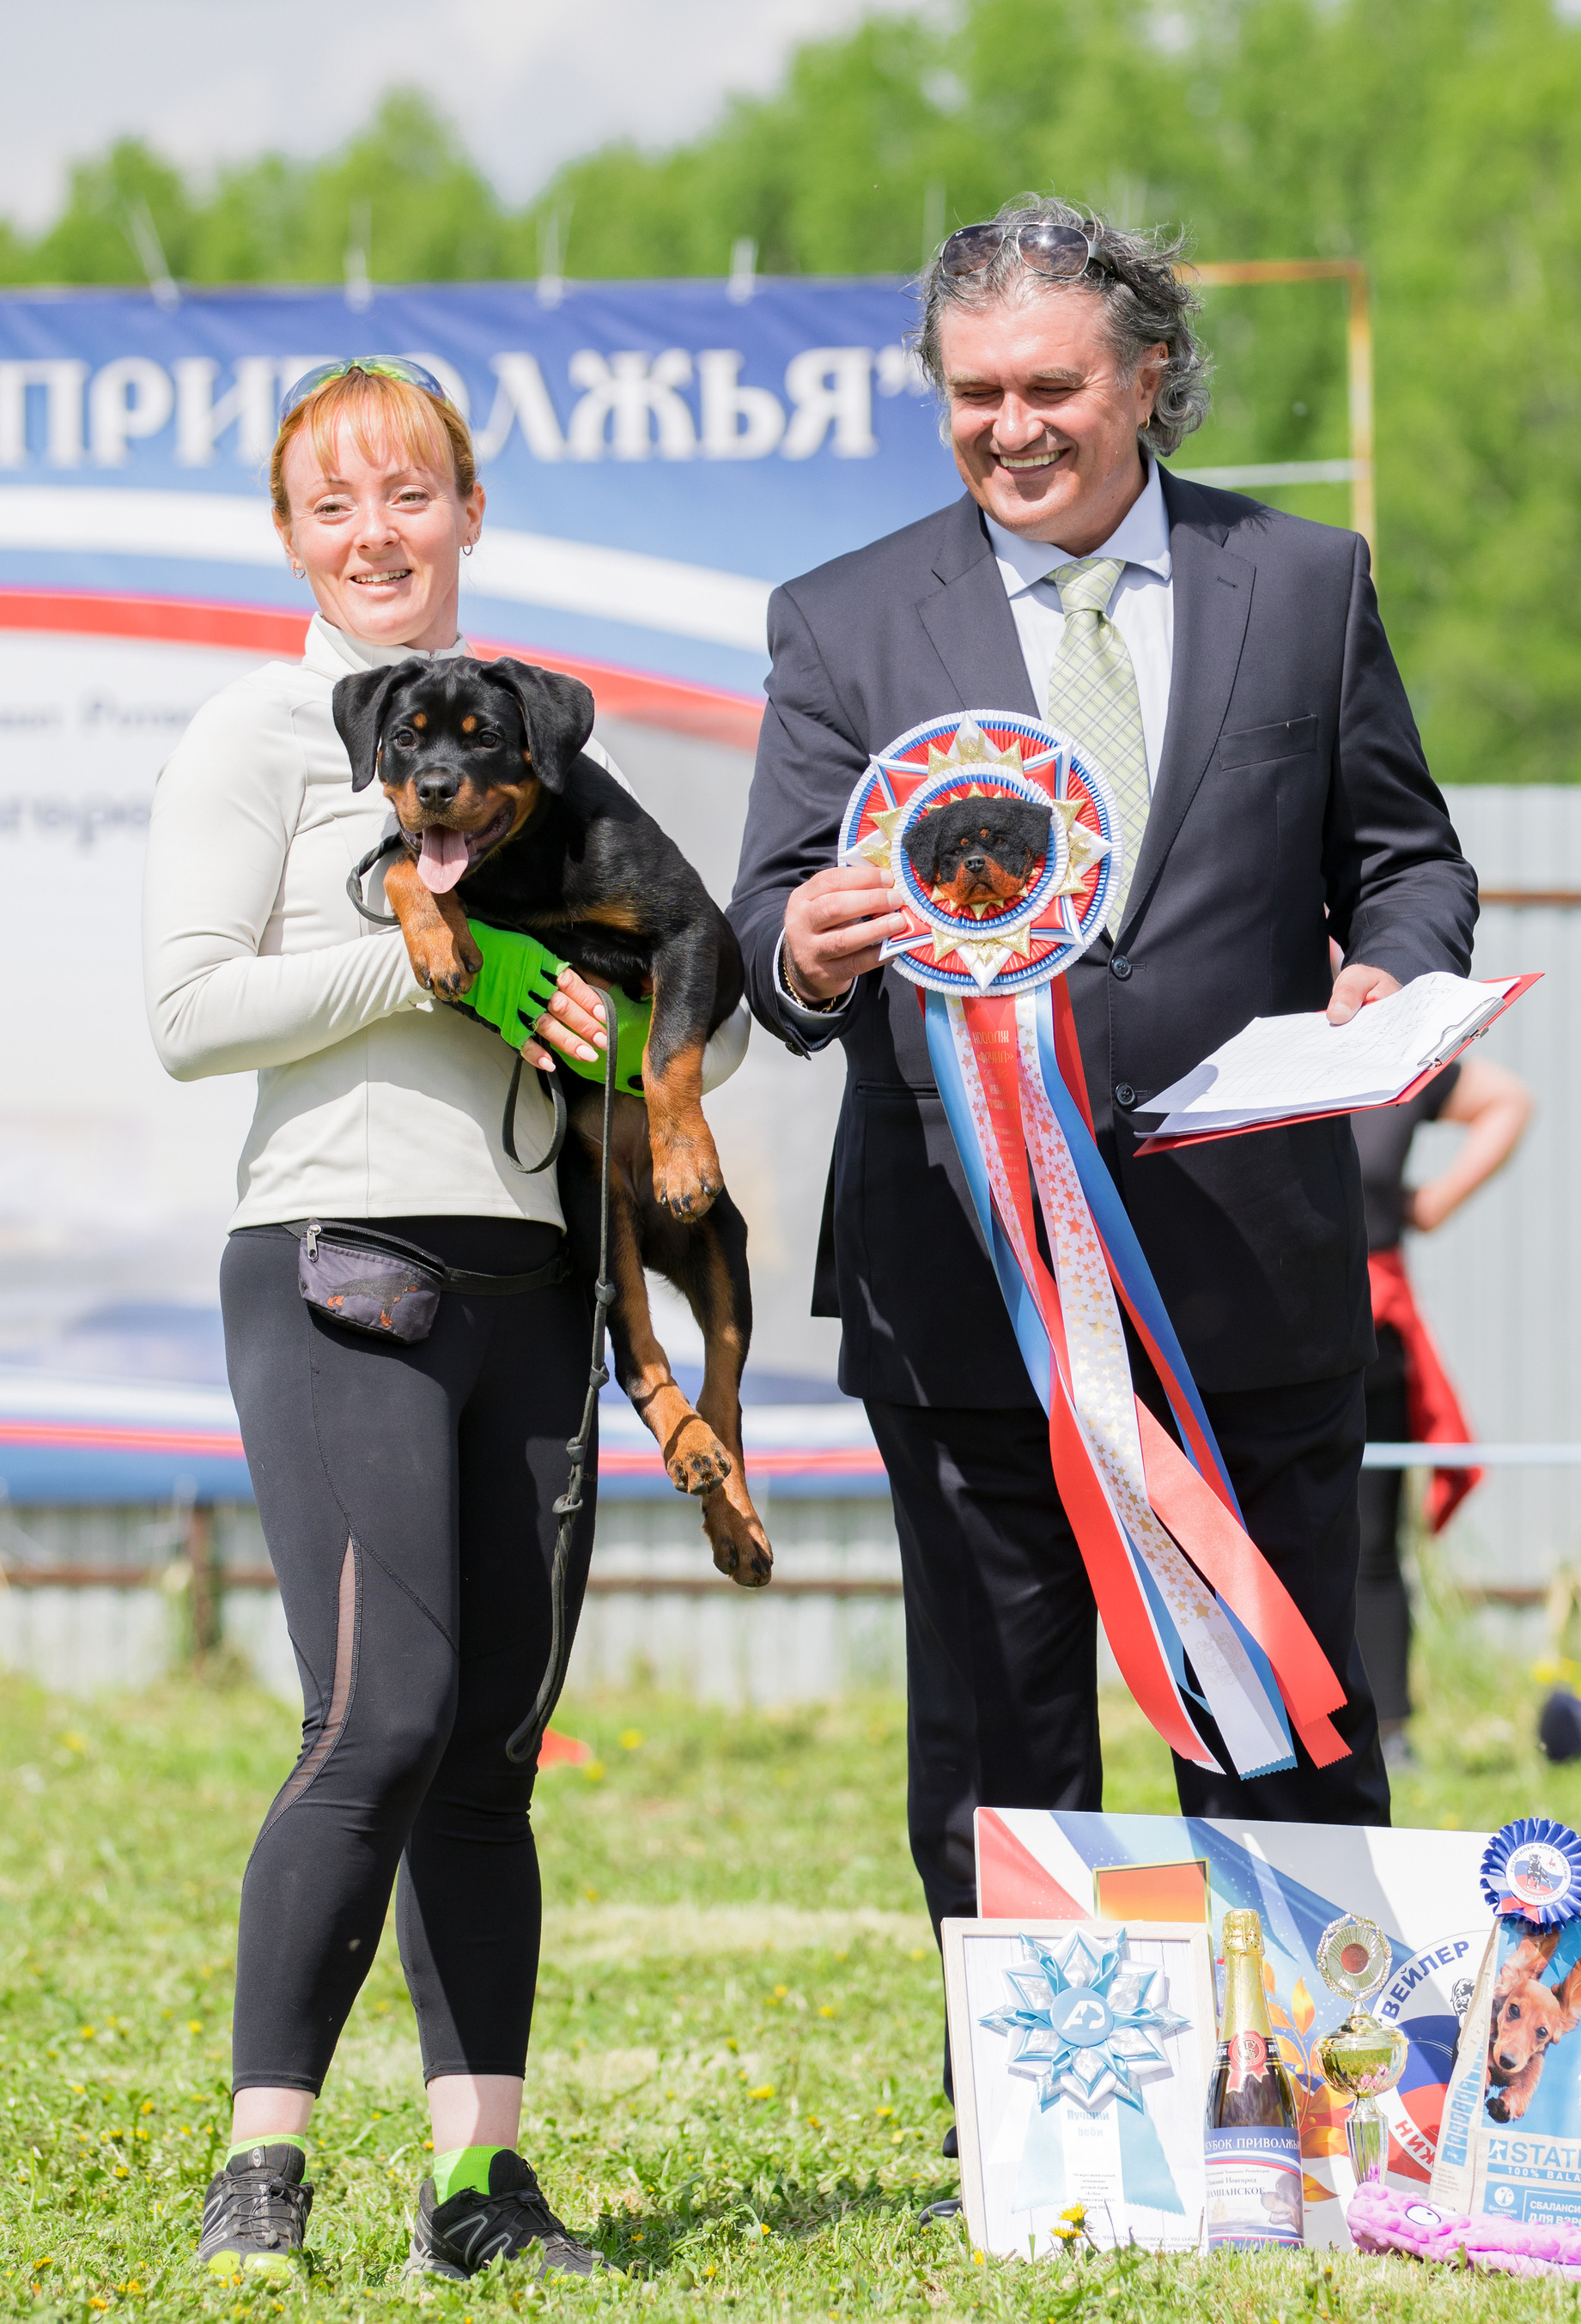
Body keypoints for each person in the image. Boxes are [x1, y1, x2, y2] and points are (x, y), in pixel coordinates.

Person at [729, 199, 1479, 1976]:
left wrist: (1394, 965)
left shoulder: (1303, 584)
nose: (1011, 427)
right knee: (998, 1726)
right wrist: (815, 946)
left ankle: (1308, 2080)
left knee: (1281, 1704)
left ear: (1148, 376)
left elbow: (1404, 856)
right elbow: (766, 916)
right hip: (961, 1273)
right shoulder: (841, 626)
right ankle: (1033, 2103)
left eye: (1050, 386)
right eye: (971, 392)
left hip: (1250, 1269)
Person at [143, 358, 708, 2281]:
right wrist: (416, 969)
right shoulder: (260, 733)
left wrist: (601, 1019)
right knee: (375, 1716)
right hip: (333, 1263)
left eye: (409, 492)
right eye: (332, 502)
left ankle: (479, 2188)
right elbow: (190, 1012)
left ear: (470, 510)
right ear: (292, 536)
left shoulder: (535, 743)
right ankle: (260, 2166)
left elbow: (633, 992)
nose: (374, 529)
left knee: (489, 1743)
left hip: (534, 1276)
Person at [1351, 1053, 1533, 1769]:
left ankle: (1388, 1731)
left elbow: (1507, 1098)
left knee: (1370, 1542)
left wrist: (1433, 1203)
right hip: (1255, 1325)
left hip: (1372, 1326)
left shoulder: (1393, 1048)